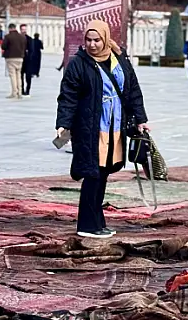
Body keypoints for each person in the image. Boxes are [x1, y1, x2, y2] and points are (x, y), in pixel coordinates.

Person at [56, 20, 149, 239]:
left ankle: (97, 222)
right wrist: (63, 123)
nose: (92, 44)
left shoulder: (119, 59)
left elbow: (133, 90)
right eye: (88, 40)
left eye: (97, 40)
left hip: (115, 126)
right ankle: (87, 225)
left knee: (103, 173)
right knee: (92, 173)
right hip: (90, 128)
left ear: (105, 38)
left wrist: (140, 118)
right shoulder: (78, 64)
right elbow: (68, 95)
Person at [1, 24, 26, 99]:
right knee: (19, 75)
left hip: (10, 58)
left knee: (13, 76)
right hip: (20, 58)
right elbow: (24, 46)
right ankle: (20, 92)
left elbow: (3, 46)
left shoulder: (8, 37)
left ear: (9, 28)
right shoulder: (22, 37)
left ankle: (14, 92)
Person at [24, 32, 44, 97]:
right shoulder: (39, 41)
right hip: (38, 54)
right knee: (38, 64)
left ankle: (32, 72)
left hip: (33, 54)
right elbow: (42, 47)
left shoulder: (32, 41)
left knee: (32, 64)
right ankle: (37, 73)